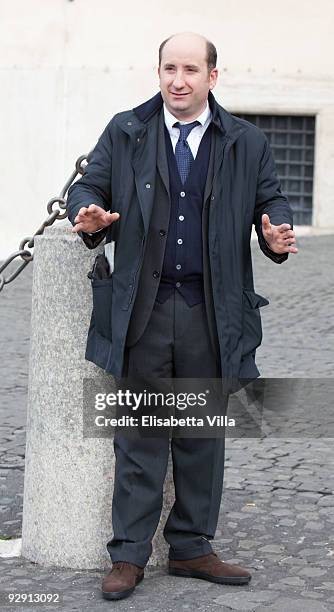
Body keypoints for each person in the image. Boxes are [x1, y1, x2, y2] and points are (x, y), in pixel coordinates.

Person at [67, 31, 297, 601]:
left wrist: (274, 228)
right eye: (170, 68)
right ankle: (128, 556)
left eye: (191, 70)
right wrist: (88, 212)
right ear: (159, 71)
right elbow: (89, 184)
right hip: (141, 308)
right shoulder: (126, 129)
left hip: (209, 310)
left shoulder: (245, 140)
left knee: (201, 435)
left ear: (211, 77)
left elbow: (272, 199)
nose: (178, 80)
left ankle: (193, 547)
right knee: (138, 436)